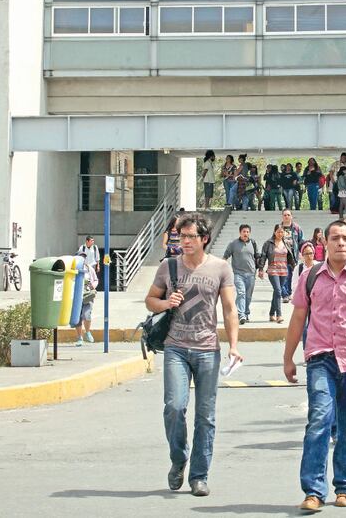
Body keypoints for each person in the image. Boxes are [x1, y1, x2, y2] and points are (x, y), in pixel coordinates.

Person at [283, 219, 346, 512]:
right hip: (320, 358)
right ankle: (314, 490)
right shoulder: (311, 275)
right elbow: (298, 318)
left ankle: (345, 487)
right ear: (324, 244)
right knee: (319, 420)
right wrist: (288, 357)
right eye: (335, 238)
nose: (341, 243)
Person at [144, 212, 241, 498]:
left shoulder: (221, 268)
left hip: (207, 349)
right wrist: (165, 303)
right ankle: (178, 458)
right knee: (174, 407)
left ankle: (199, 475)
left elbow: (229, 309)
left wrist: (234, 345)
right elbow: (150, 301)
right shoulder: (168, 267)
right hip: (175, 346)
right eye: (181, 236)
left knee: (206, 416)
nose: (183, 241)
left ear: (204, 239)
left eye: (189, 236)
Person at [257, 224, 295, 324]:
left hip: (284, 270)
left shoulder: (286, 242)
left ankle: (271, 313)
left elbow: (290, 255)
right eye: (278, 231)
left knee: (276, 292)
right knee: (278, 291)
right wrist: (260, 269)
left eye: (282, 232)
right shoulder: (268, 243)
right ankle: (279, 315)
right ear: (274, 232)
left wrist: (293, 265)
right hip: (273, 269)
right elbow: (263, 256)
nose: (280, 233)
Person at [222, 224, 259, 325]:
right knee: (241, 293)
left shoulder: (253, 243)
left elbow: (257, 256)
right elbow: (226, 256)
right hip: (238, 273)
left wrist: (260, 269)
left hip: (251, 274)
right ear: (240, 232)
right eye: (244, 232)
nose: (246, 234)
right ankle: (241, 314)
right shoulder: (233, 244)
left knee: (248, 296)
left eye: (247, 232)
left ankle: (246, 313)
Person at [72, 256, 98, 345]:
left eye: (84, 257)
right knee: (78, 317)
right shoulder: (73, 267)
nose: (82, 259)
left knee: (87, 315)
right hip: (76, 296)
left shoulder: (89, 268)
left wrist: (92, 286)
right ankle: (79, 338)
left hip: (87, 295)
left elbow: (95, 279)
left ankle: (87, 332)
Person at [280, 209, 304, 302]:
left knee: (291, 274)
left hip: (293, 255)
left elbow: (301, 241)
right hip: (282, 255)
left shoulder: (296, 228)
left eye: (288, 215)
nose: (286, 216)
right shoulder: (279, 228)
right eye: (285, 215)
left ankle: (289, 292)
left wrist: (301, 252)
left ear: (291, 216)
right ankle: (285, 294)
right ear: (282, 216)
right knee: (283, 275)